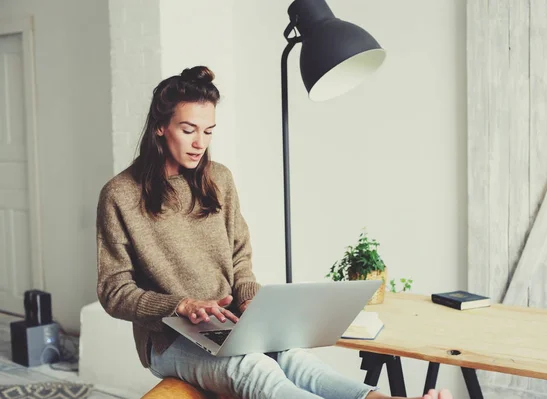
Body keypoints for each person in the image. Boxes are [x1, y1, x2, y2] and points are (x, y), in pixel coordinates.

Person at [96, 65, 453, 399]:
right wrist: (181, 305)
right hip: (167, 339)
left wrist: (252, 300)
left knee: (298, 361)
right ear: (160, 127)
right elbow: (114, 291)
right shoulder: (120, 195)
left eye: (208, 131)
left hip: (234, 324)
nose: (199, 142)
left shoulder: (218, 179)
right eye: (188, 130)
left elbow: (239, 259)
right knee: (254, 369)